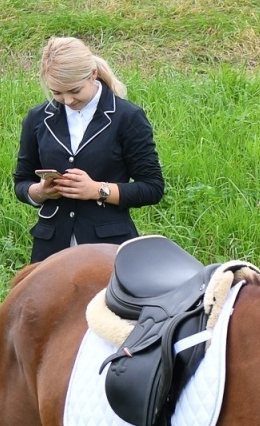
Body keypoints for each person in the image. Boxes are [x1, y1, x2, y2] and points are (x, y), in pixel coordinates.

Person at [12, 37, 164, 263]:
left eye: (74, 90)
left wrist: (97, 190)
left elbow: (152, 187)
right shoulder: (37, 118)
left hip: (108, 250)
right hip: (50, 249)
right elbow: (21, 182)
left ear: (93, 74)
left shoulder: (127, 117)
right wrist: (41, 191)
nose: (67, 100)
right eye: (57, 93)